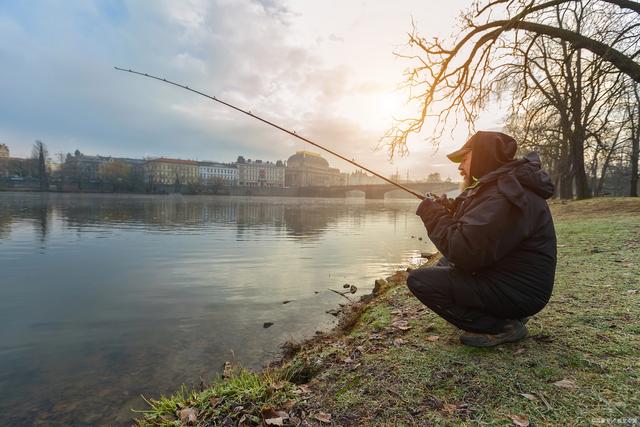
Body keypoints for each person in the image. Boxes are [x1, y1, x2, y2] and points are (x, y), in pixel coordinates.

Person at [407, 131, 557, 347]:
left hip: (520, 292)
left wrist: (432, 213)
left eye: (464, 159)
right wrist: (449, 208)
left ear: (483, 157)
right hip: (514, 282)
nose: (460, 167)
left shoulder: (505, 193)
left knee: (420, 281)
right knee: (443, 265)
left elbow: (464, 250)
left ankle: (501, 327)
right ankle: (503, 314)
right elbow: (480, 224)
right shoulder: (504, 185)